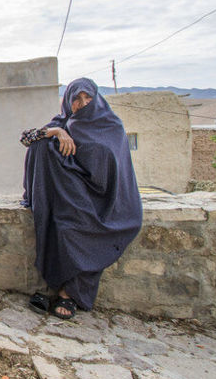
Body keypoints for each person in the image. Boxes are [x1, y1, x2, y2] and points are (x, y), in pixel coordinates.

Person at [20, 78, 142, 319]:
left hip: (103, 200)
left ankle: (68, 293)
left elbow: (115, 169)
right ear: (68, 101)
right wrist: (56, 131)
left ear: (97, 99)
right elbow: (26, 139)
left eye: (88, 98)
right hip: (70, 195)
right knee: (59, 224)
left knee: (79, 229)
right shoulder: (63, 122)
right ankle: (53, 286)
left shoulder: (112, 126)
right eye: (76, 98)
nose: (82, 103)